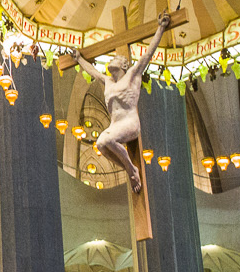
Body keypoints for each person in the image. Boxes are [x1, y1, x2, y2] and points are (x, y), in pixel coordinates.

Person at [72, 21, 169, 195]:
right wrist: (79, 59)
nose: (111, 60)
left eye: (115, 59)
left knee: (108, 141)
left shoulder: (132, 75)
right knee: (101, 145)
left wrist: (160, 29)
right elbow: (93, 72)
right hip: (115, 125)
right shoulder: (108, 81)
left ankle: (132, 171)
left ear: (124, 65)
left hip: (130, 122)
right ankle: (129, 168)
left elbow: (148, 54)